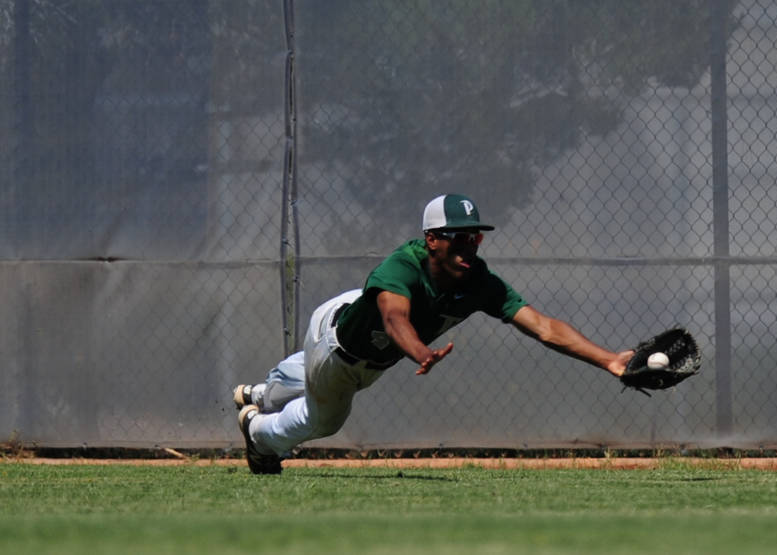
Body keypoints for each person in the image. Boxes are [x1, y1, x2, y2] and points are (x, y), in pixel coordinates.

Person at [234, 193, 633, 474]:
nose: (468, 246)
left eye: (474, 237)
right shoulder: (402, 267)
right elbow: (393, 319)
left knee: (291, 384)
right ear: (431, 239)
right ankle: (257, 433)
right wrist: (422, 353)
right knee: (321, 421)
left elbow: (543, 327)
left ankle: (256, 395)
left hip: (354, 329)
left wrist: (610, 359)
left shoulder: (479, 281)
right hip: (341, 349)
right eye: (458, 237)